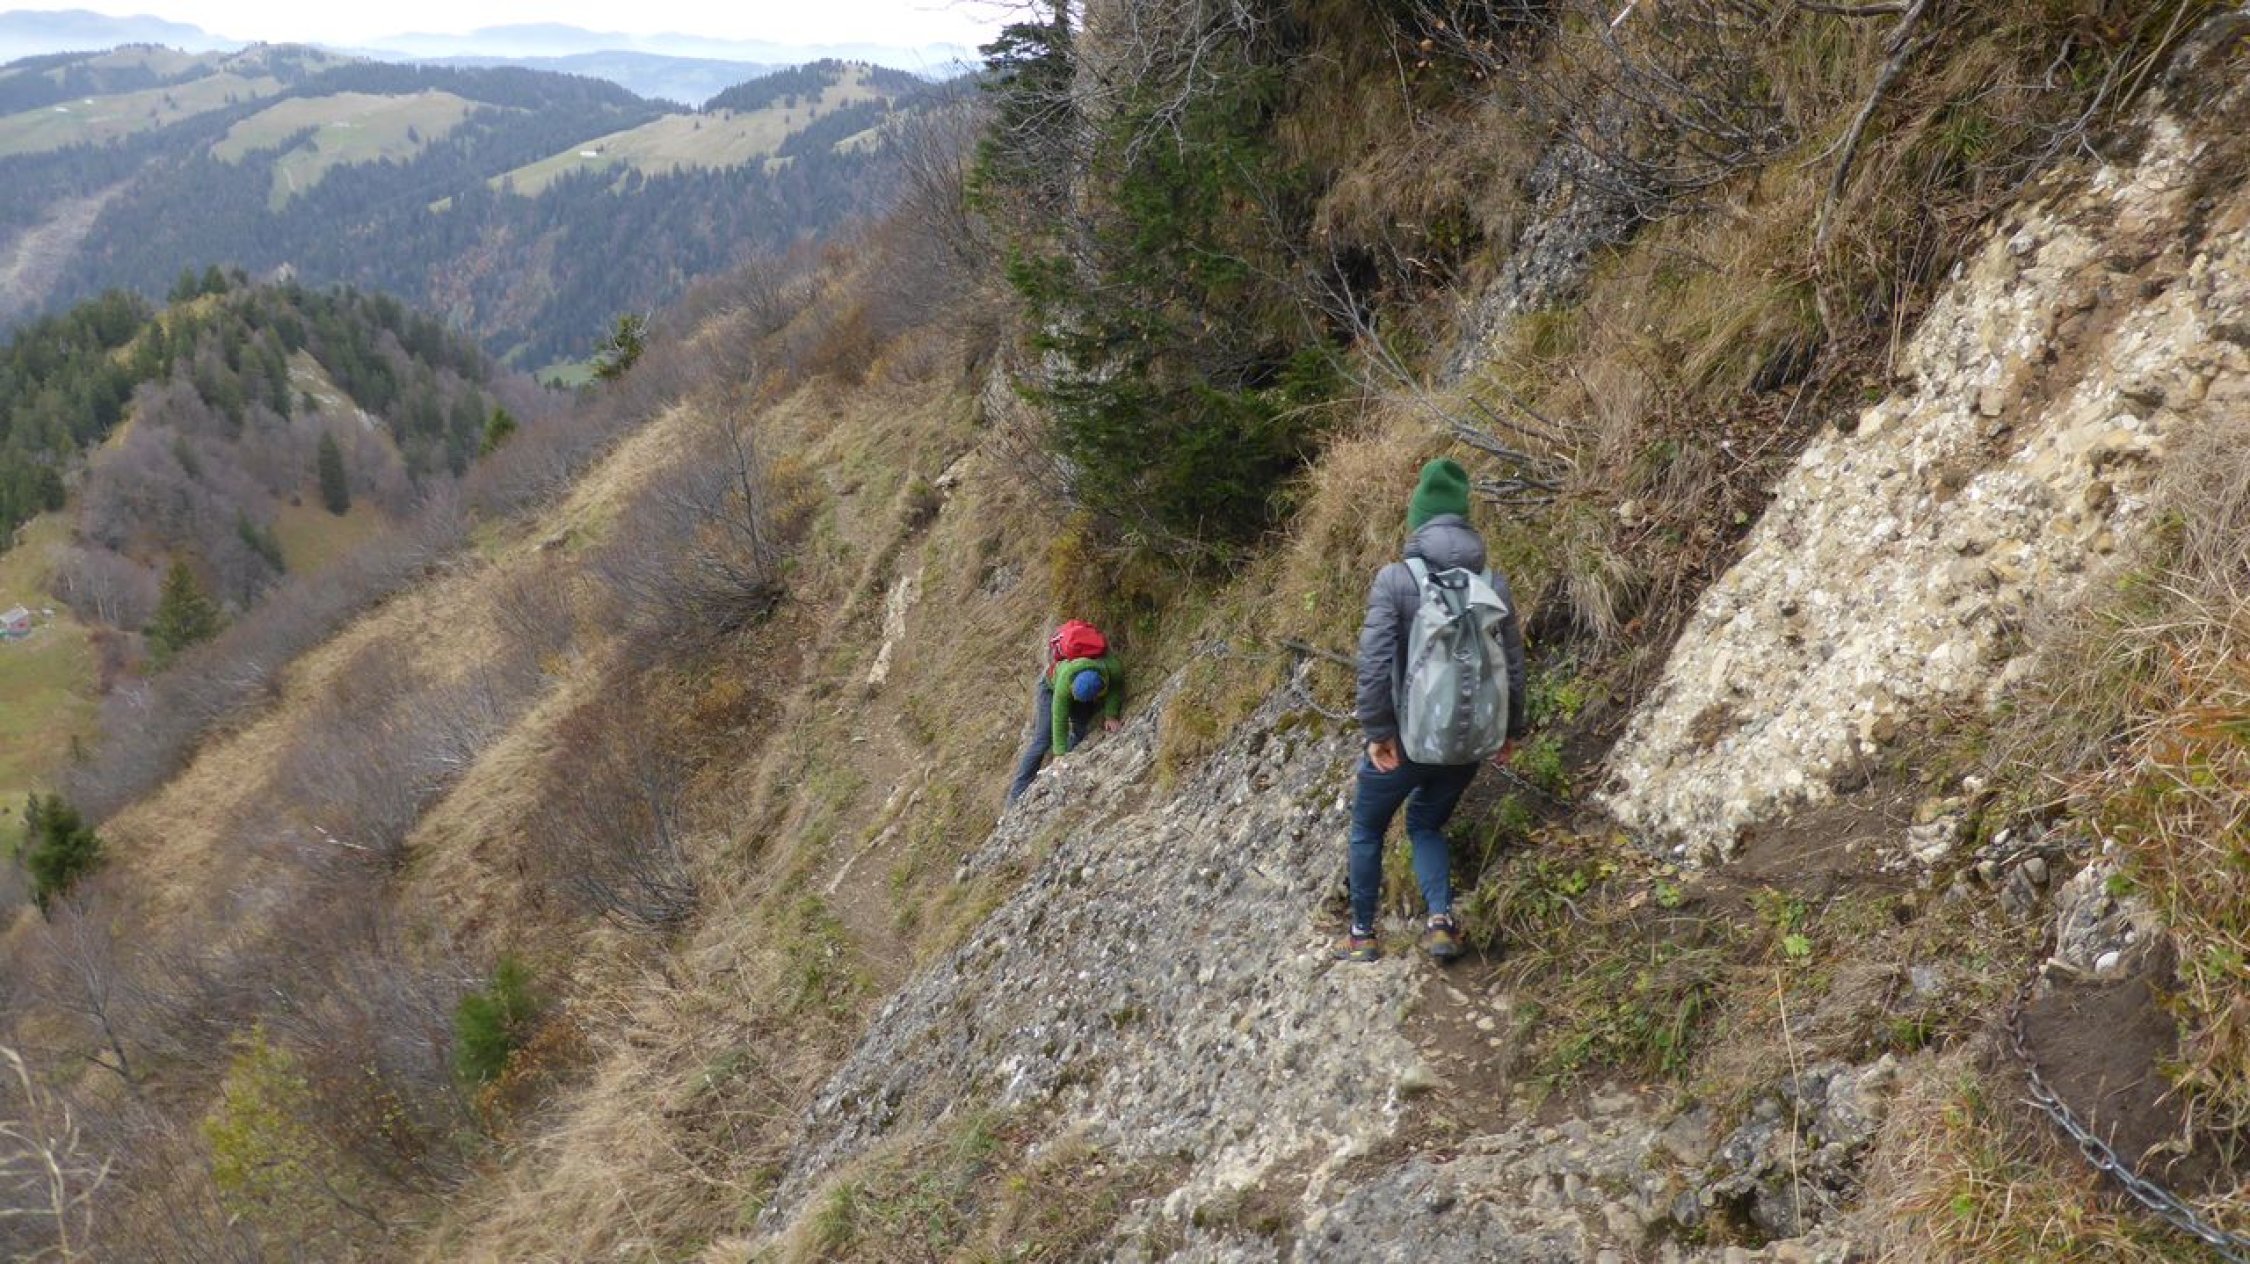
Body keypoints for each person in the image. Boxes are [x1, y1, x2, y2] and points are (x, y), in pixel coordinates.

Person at [1337, 458, 1527, 963]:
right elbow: (1511, 664)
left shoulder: (1395, 580)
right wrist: (1508, 730)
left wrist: (1378, 732)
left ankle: (1362, 935)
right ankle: (1440, 922)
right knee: (1425, 824)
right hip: (1467, 741)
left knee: (1367, 830)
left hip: (1404, 741)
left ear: (1417, 521)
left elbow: (1375, 663)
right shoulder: (1492, 582)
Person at [1006, 629, 1125, 803]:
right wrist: (1059, 753)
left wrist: (1111, 715)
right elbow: (1059, 717)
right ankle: (1015, 795)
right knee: (1043, 740)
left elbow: (1115, 687)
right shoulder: (1064, 682)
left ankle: (1062, 759)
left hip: (1081, 689)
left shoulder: (1112, 668)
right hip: (1049, 688)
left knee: (1081, 731)